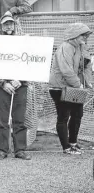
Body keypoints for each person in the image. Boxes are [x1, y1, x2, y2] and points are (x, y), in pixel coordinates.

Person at [49, 23, 93, 155]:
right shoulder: (65, 47)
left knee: (77, 114)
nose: (85, 37)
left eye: (87, 35)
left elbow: (86, 65)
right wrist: (78, 83)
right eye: (83, 35)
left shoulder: (80, 47)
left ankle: (73, 143)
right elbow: (65, 69)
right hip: (60, 87)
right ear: (74, 35)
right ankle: (66, 147)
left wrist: (87, 82)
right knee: (63, 116)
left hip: (74, 87)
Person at [0, 15, 30, 161]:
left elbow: (30, 62)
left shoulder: (23, 43)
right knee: (2, 120)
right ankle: (2, 150)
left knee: (19, 119)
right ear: (1, 27)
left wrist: (20, 80)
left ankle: (20, 150)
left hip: (20, 85)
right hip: (1, 86)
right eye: (5, 24)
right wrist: (3, 83)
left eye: (11, 24)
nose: (8, 27)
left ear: (14, 26)